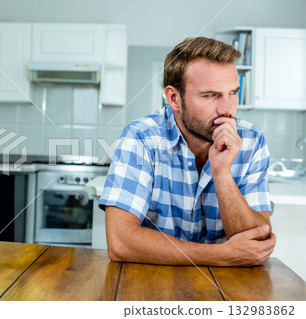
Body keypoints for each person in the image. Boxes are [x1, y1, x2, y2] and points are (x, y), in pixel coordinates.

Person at [99, 37, 276, 267]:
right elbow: (120, 242)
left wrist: (222, 172)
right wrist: (221, 255)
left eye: (233, 92)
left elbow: (258, 241)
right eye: (210, 95)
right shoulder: (141, 137)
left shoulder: (252, 140)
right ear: (174, 98)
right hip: (150, 285)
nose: (227, 109)